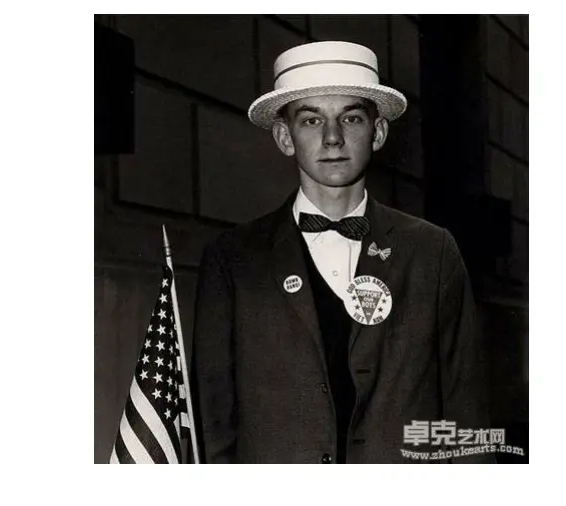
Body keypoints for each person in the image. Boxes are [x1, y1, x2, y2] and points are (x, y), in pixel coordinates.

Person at [192, 40, 491, 463]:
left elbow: (467, 413)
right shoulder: (234, 259)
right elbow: (213, 420)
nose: (332, 138)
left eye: (350, 117)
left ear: (379, 131)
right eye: (311, 120)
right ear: (284, 136)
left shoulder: (431, 252)